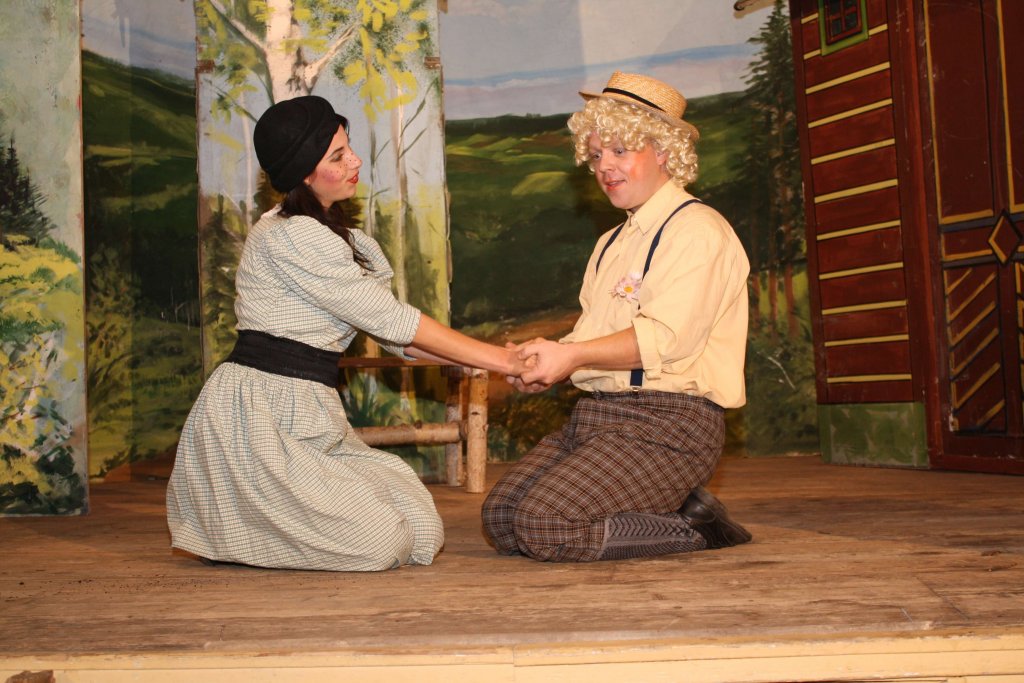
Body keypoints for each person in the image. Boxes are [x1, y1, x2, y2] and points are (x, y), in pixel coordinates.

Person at [167, 95, 527, 571]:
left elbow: (399, 339)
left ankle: (271, 526)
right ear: (304, 175)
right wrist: (505, 362)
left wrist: (492, 360)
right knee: (379, 543)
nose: (355, 161)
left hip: (310, 411)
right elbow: (395, 321)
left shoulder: (337, 238)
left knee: (420, 528)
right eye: (338, 156)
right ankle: (241, 528)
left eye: (348, 147)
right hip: (261, 416)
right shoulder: (292, 235)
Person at [481, 72, 753, 562]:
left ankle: (694, 526)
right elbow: (592, 342)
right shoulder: (611, 242)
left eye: (620, 150)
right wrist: (544, 363)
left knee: (543, 524)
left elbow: (665, 340)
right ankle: (654, 509)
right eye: (595, 155)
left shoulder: (698, 231)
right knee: (502, 520)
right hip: (598, 416)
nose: (604, 167)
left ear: (664, 151)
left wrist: (570, 356)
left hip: (669, 425)